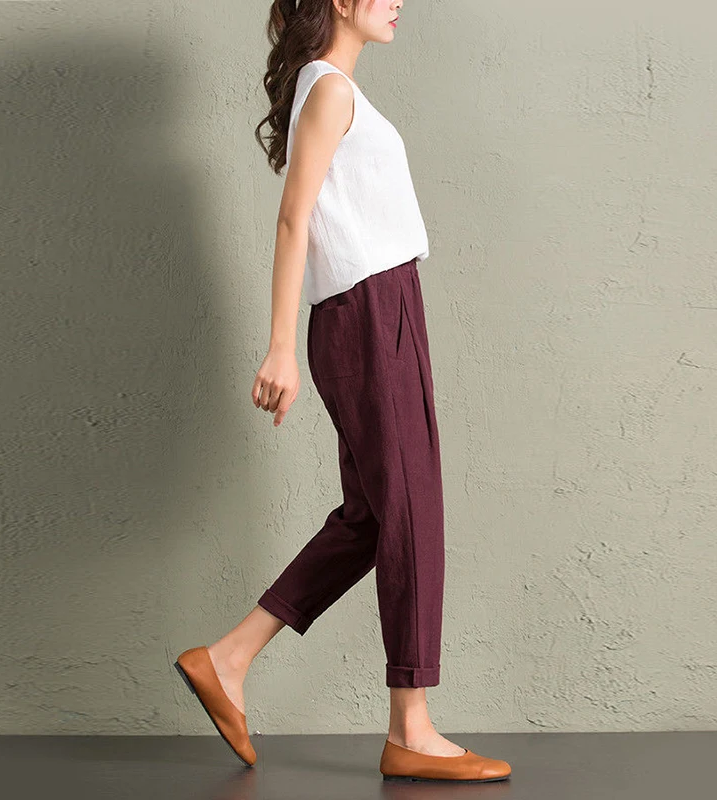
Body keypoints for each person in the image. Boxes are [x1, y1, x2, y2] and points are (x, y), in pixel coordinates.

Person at [175, 0, 511, 784]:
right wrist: (279, 347)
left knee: (373, 516)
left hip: (381, 308)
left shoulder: (330, 89)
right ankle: (411, 728)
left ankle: (228, 659)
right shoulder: (328, 89)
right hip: (369, 310)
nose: (399, 1)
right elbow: (293, 220)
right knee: (412, 510)